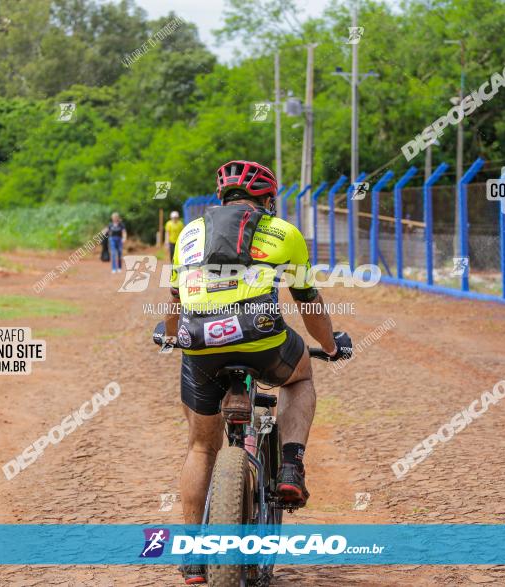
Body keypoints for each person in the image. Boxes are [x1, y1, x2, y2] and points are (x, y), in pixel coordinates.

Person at [164, 160, 351, 585]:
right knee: (300, 376)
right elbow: (308, 301)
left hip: (200, 344)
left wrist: (171, 335)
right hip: (263, 339)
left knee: (199, 447)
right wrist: (330, 345)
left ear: (220, 200)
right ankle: (290, 467)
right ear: (268, 200)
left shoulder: (189, 234)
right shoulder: (284, 232)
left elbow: (175, 302)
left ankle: (193, 560)